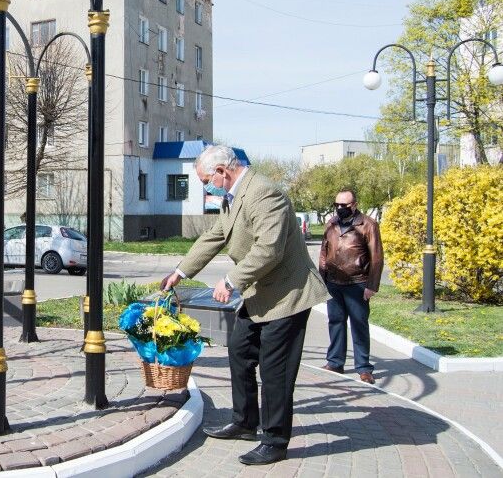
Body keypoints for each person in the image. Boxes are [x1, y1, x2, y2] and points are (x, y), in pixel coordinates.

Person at [161, 145, 329, 466]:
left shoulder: (265, 194)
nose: (206, 186)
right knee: (239, 350)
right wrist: (181, 272)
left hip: (287, 296)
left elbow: (269, 249)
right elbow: (215, 235)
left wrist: (231, 280)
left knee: (274, 369)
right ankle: (245, 422)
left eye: (206, 180)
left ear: (223, 171)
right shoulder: (231, 196)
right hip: (259, 295)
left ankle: (275, 440)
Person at [319, 189, 384, 384]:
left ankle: (363, 367)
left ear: (354, 205)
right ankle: (335, 362)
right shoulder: (331, 224)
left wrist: (372, 285)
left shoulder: (368, 225)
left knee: (359, 325)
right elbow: (324, 251)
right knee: (335, 322)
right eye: (336, 205)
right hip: (334, 283)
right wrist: (322, 279)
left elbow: (377, 257)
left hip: (357, 283)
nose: (340, 209)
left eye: (344, 205)